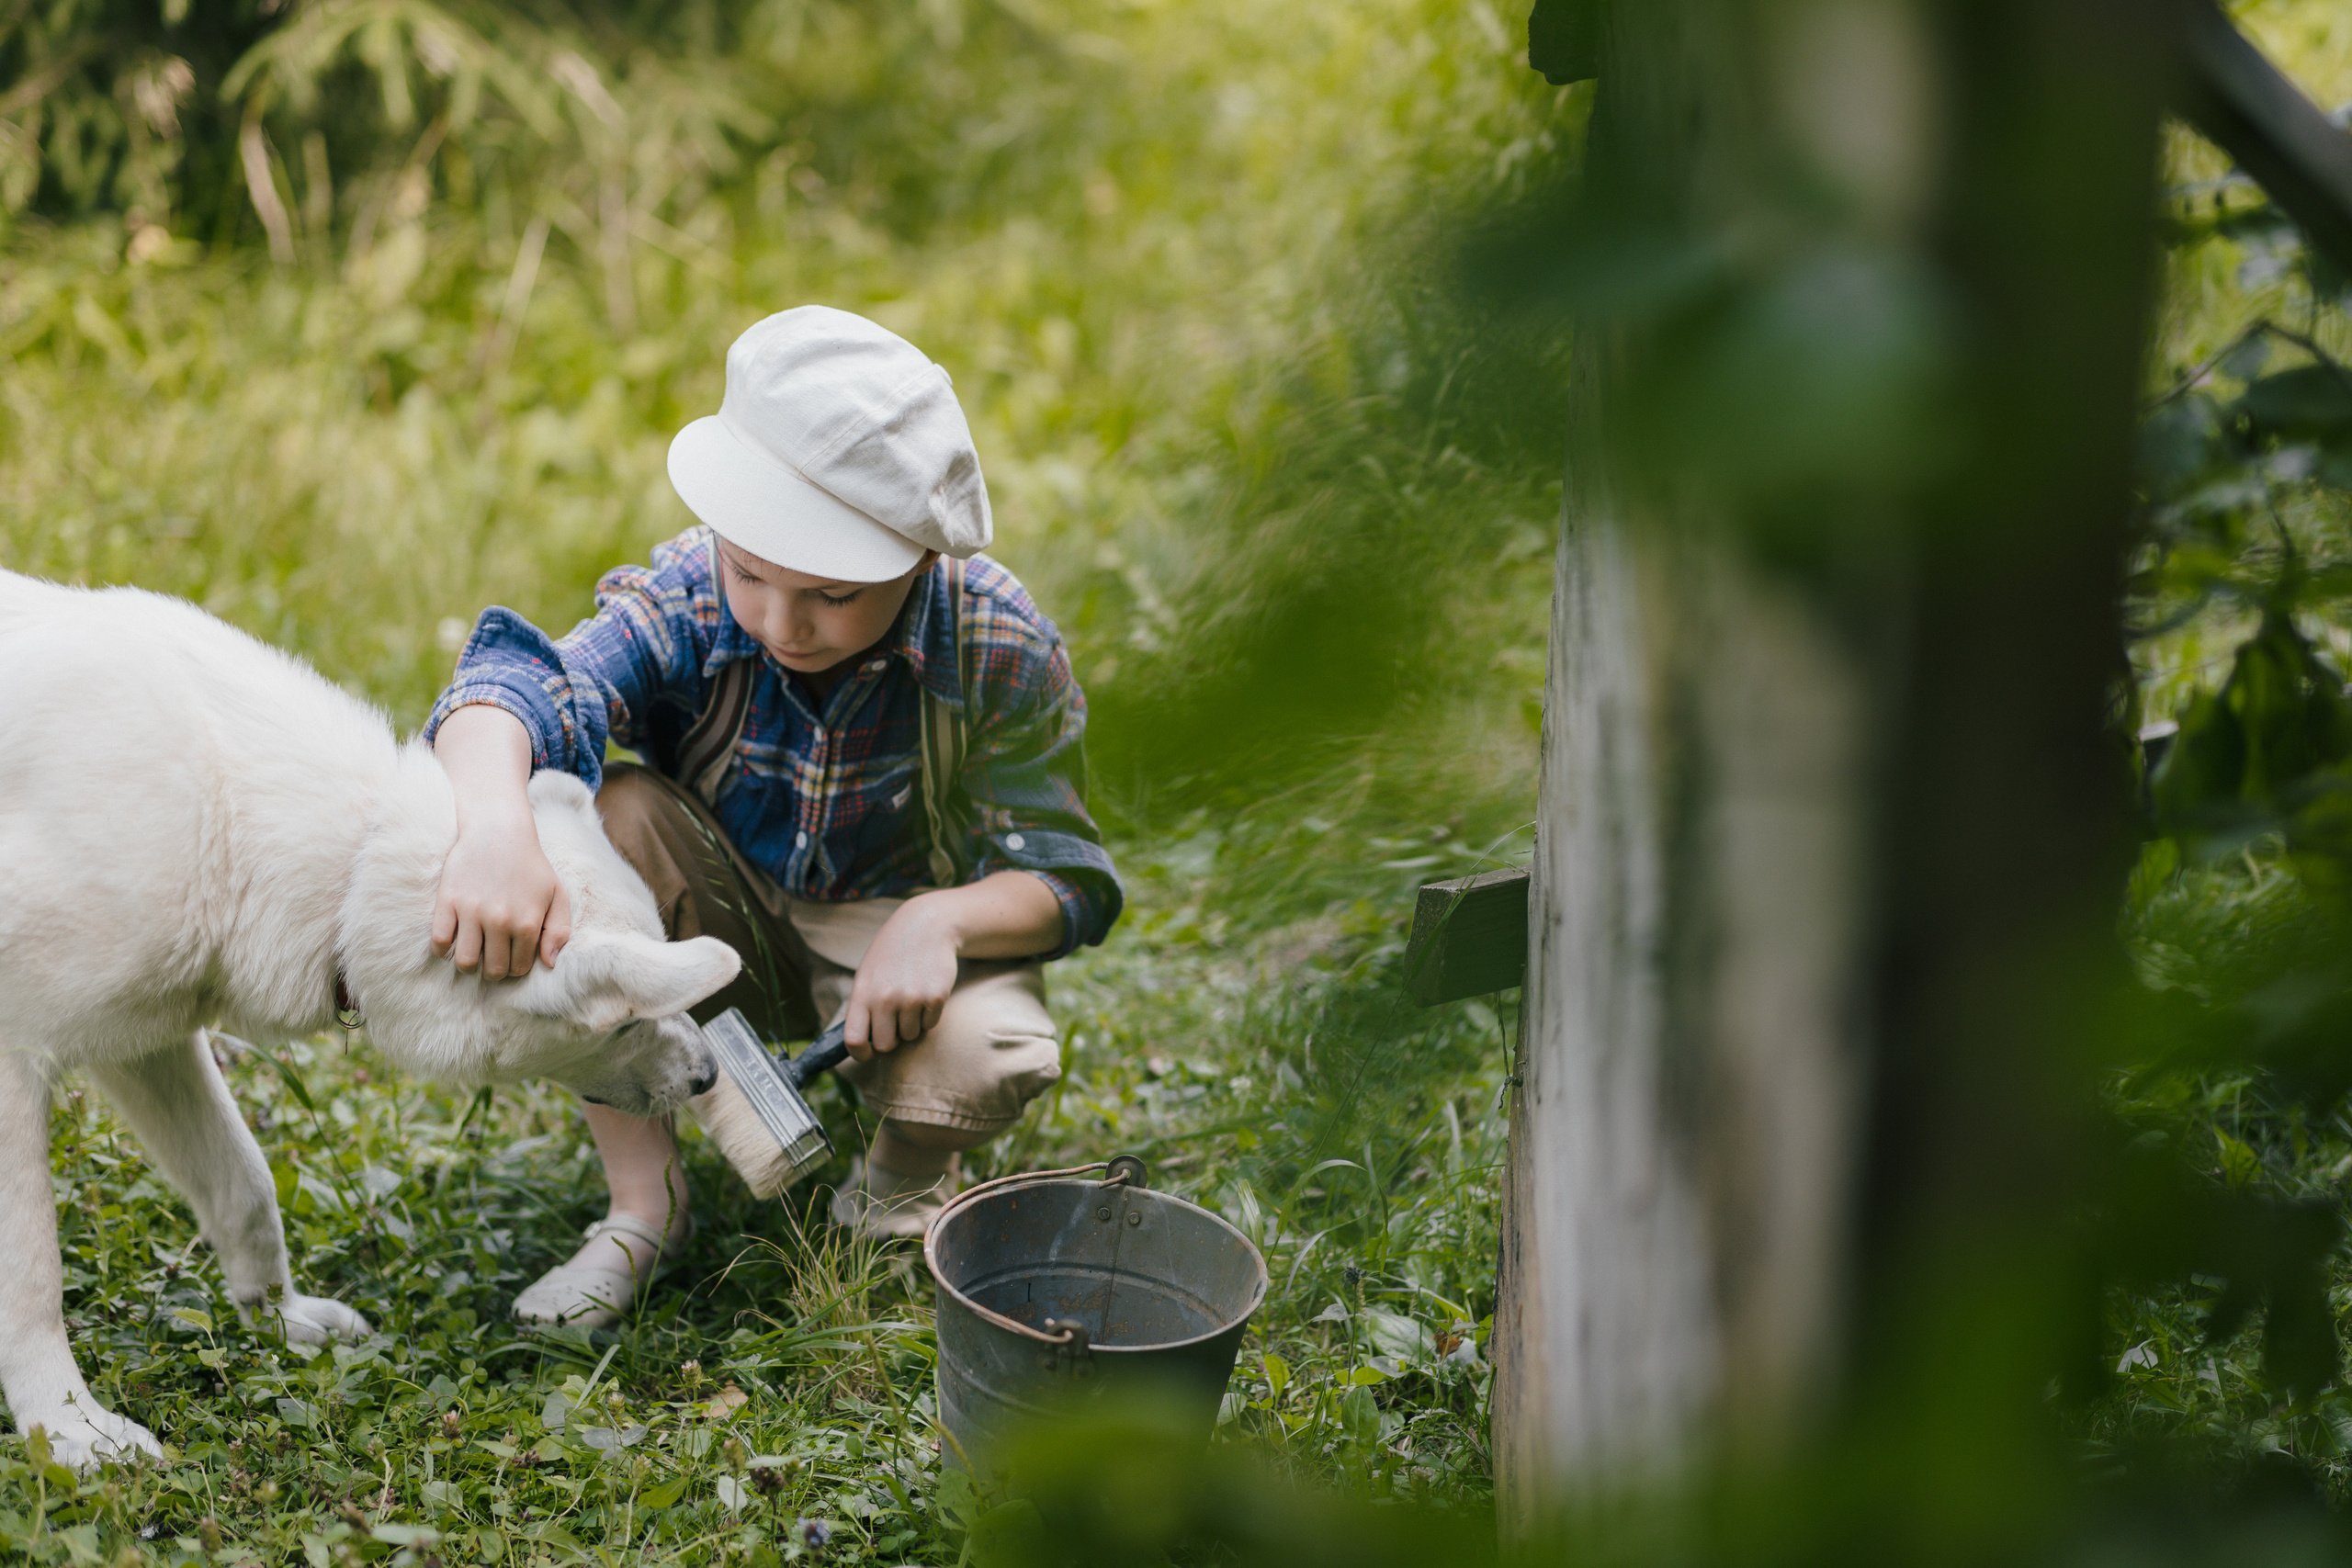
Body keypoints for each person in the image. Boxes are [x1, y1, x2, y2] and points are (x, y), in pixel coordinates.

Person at [423, 306, 1122, 1328]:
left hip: (894, 921)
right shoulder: (694, 596)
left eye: (832, 594)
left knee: (990, 1046)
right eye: (751, 573)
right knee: (599, 814)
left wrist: (942, 923)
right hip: (710, 901)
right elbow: (522, 686)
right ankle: (644, 1207)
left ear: (921, 562)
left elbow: (1068, 874)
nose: (781, 622)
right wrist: (490, 826)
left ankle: (896, 1181)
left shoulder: (996, 642)